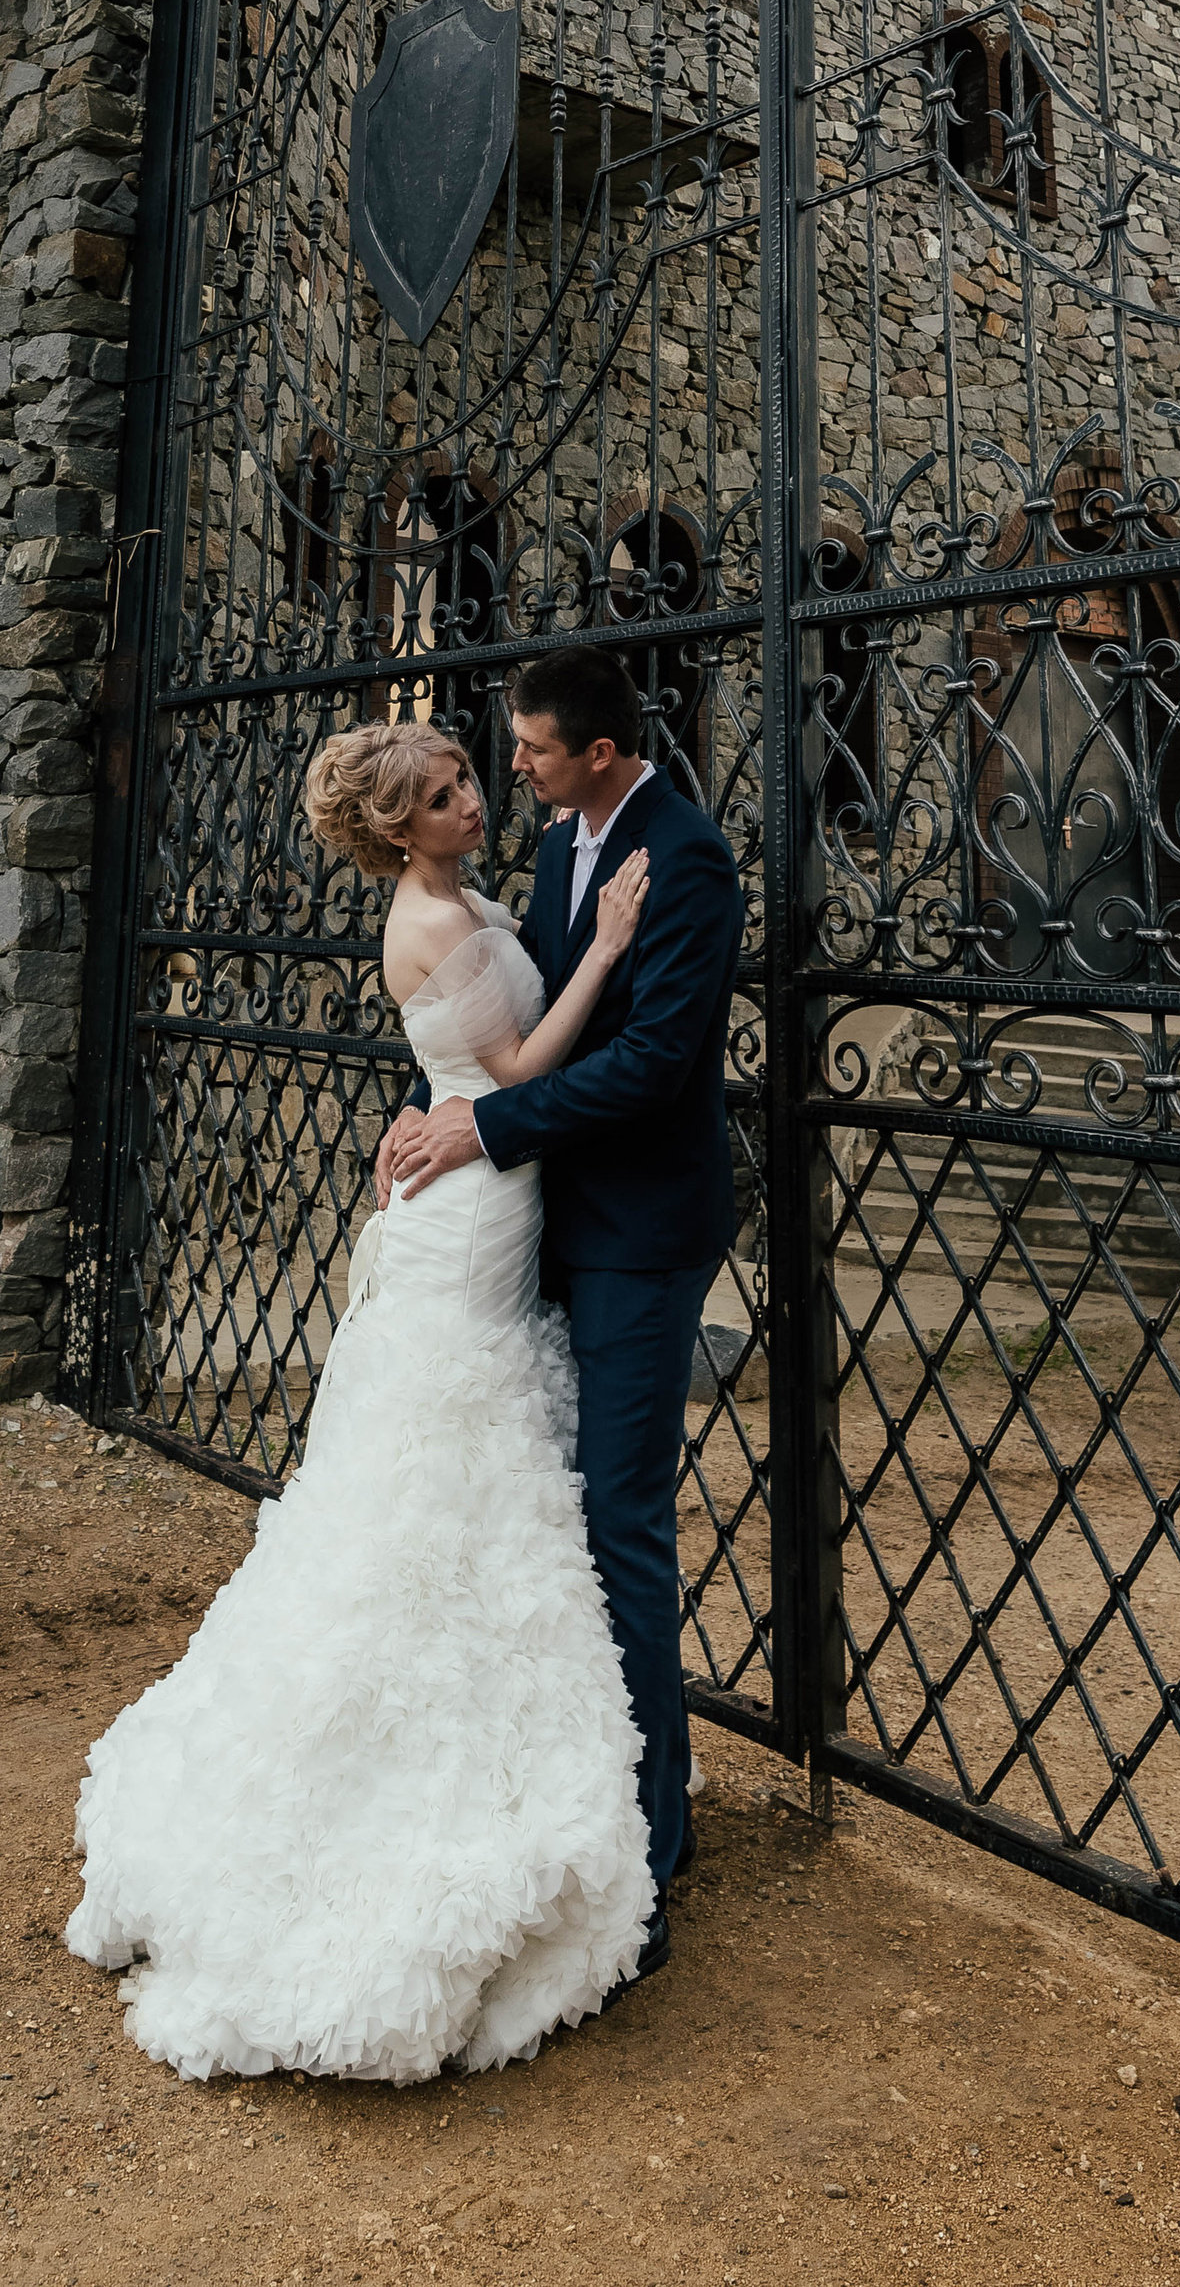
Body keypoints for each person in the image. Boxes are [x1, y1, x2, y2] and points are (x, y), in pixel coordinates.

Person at [66, 717, 658, 2082]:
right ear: (400, 830)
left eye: (465, 776)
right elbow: (516, 1075)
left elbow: (464, 1070)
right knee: (432, 1460)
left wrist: (428, 1101)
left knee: (462, 1457)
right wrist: (613, 947)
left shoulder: (457, 900)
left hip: (480, 1187)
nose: (470, 799)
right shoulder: (423, 923)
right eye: (445, 794)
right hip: (475, 1211)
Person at [375, 646, 744, 1950]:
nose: (513, 766)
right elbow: (505, 1032)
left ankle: (656, 1829)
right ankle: (578, 1784)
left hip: (640, 1226)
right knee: (550, 1517)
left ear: (595, 750)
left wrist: (481, 1131)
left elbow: (648, 1066)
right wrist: (430, 1113)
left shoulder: (685, 857)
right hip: (540, 1224)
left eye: (529, 749)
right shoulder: (554, 849)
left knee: (621, 1518)